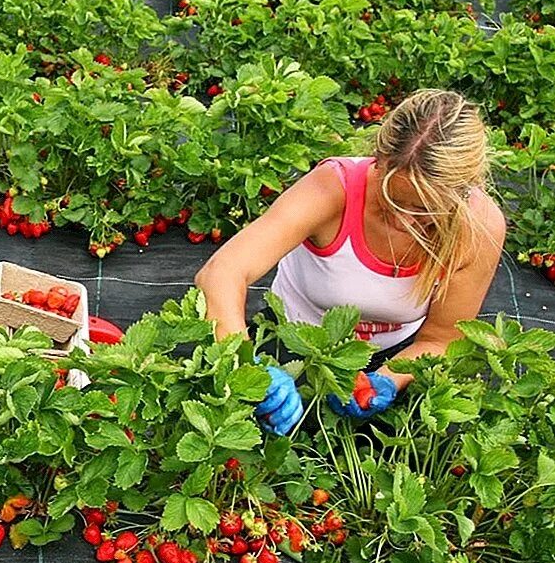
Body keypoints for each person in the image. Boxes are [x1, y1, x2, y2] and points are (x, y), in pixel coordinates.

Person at [194, 89, 506, 435]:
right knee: (251, 427)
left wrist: (388, 379)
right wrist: (245, 367)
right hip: (295, 338)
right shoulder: (335, 189)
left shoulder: (479, 228)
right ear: (379, 160)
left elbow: (441, 338)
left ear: (463, 192)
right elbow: (222, 272)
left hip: (394, 350)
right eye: (394, 202)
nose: (405, 222)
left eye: (426, 212)